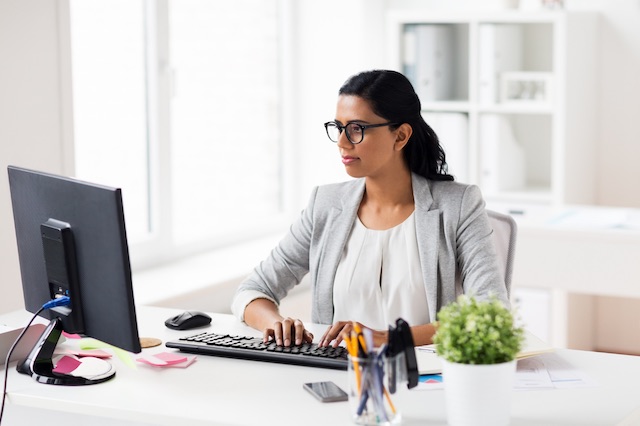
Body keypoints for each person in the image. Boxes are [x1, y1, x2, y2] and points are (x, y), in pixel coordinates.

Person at [231, 69, 509, 349]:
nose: (341, 142)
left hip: (424, 378)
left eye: (356, 129)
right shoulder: (325, 205)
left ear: (400, 136)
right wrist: (275, 324)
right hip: (336, 379)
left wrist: (387, 338)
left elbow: (491, 314)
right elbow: (254, 290)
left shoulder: (458, 205)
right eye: (338, 127)